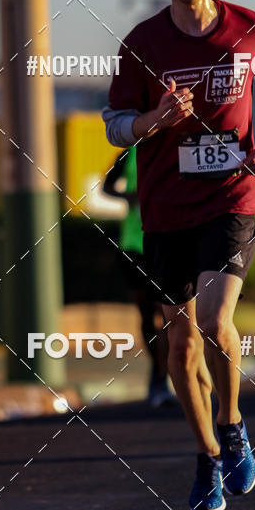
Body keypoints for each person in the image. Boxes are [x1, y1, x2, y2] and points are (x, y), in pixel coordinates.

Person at [102, 0, 255, 510]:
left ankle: (234, 421)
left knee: (215, 322)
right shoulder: (142, 44)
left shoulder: (249, 28)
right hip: (166, 210)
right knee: (179, 348)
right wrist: (153, 120)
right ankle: (207, 455)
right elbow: (114, 125)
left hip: (231, 199)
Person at [102, 147, 174, 408]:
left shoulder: (173, 146)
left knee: (163, 312)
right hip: (132, 244)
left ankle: (162, 377)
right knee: (146, 315)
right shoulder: (128, 153)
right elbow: (106, 186)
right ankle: (158, 373)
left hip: (164, 241)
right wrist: (129, 196)